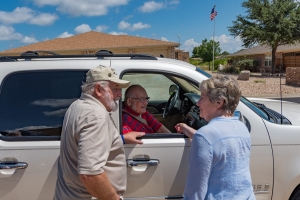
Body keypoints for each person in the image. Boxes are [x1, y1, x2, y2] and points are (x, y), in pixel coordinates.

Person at [54, 65, 130, 200]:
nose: (120, 94)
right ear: (99, 89)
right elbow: (90, 174)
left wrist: (122, 138)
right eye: (115, 89)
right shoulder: (96, 116)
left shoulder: (77, 106)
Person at [175, 75, 255, 200]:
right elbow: (218, 142)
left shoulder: (205, 136)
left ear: (219, 102)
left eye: (202, 97)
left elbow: (195, 190)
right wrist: (187, 129)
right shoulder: (242, 128)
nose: (197, 102)